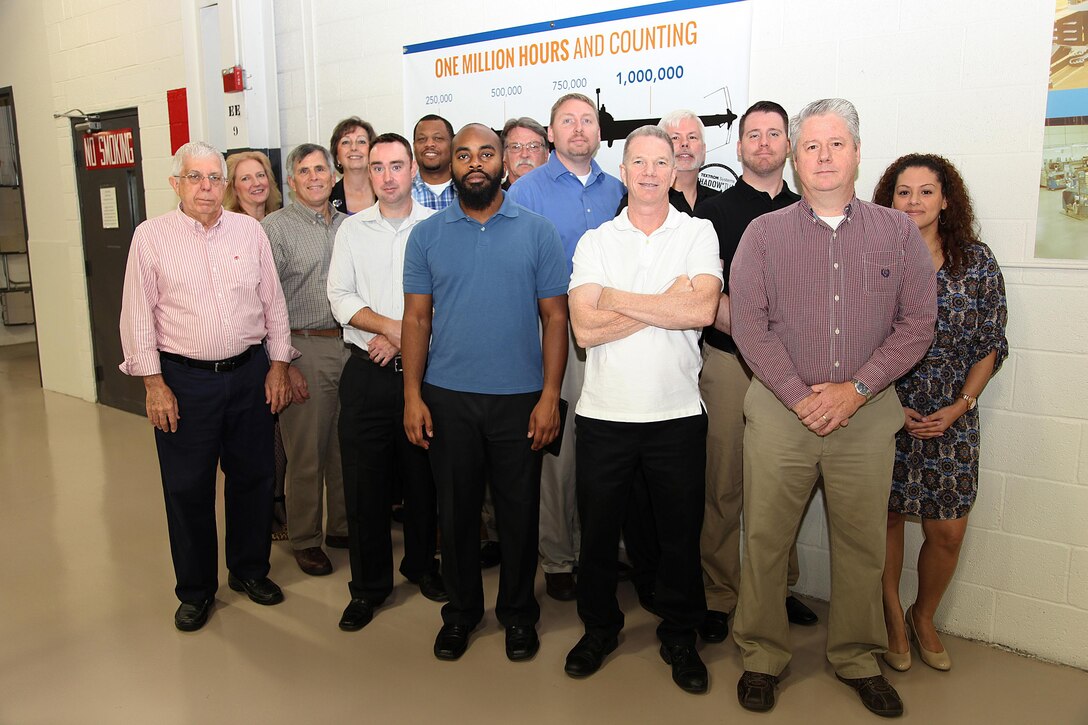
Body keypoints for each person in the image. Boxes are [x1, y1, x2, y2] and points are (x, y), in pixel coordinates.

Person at [729, 99, 937, 718]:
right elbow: (750, 325)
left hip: (867, 412)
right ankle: (763, 655)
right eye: (811, 146)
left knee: (862, 544)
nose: (823, 157)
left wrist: (856, 389)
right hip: (779, 408)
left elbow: (917, 323)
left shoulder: (897, 232)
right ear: (795, 158)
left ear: (856, 153)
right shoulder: (763, 234)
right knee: (765, 538)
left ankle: (857, 656)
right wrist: (798, 395)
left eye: (836, 144)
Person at [402, 123, 568, 662]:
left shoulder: (538, 231)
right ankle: (462, 613)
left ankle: (519, 615)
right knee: (456, 514)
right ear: (449, 164)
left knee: (519, 516)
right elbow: (417, 318)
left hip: (520, 400)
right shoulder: (426, 235)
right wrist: (412, 394)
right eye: (463, 154)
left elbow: (555, 318)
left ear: (502, 162)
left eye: (486, 153)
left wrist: (549, 397)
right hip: (447, 398)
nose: (475, 162)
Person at [565, 126, 721, 694]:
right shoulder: (595, 241)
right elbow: (583, 326)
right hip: (605, 415)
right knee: (600, 534)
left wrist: (616, 298)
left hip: (677, 414)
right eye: (640, 162)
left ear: (675, 169)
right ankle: (599, 628)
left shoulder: (697, 232)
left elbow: (702, 309)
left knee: (680, 535)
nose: (651, 172)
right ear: (623, 171)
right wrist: (665, 300)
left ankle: (681, 635)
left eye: (663, 161)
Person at [119, 141, 297, 632]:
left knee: (255, 479)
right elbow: (136, 317)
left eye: (214, 178)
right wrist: (155, 385)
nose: (205, 187)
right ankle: (196, 590)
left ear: (226, 184)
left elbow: (272, 303)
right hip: (183, 382)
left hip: (248, 375)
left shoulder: (249, 231)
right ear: (176, 183)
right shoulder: (150, 237)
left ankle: (248, 571)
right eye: (194, 178)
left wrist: (278, 365)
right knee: (187, 488)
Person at [872, 154, 1008, 673]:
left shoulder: (976, 262)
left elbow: (990, 343)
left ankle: (922, 615)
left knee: (946, 530)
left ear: (946, 200)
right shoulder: (877, 257)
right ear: (889, 199)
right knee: (883, 519)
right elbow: (857, 339)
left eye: (926, 192)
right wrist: (885, 401)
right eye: (903, 192)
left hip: (953, 415)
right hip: (884, 409)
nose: (914, 202)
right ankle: (889, 617)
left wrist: (960, 406)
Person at [691, 101, 818, 645]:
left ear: (787, 145)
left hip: (791, 376)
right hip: (728, 365)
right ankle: (719, 593)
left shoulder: (810, 209)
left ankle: (775, 589)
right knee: (724, 485)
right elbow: (707, 293)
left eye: (774, 134)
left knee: (781, 487)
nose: (763, 143)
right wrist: (753, 340)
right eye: (753, 135)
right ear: (738, 147)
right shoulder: (712, 213)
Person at [507, 93, 625, 602]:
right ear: (551, 134)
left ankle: (596, 548)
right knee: (560, 447)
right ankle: (557, 556)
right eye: (567, 121)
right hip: (555, 332)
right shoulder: (526, 191)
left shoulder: (619, 189)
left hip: (619, 334)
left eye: (588, 120)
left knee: (606, 447)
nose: (579, 129)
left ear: (599, 132)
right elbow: (512, 271)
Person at [327, 132, 447, 632]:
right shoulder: (352, 231)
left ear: (414, 169)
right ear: (367, 173)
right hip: (367, 374)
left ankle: (421, 565)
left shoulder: (439, 228)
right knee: (365, 485)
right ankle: (369, 587)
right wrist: (394, 328)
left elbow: (449, 297)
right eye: (378, 167)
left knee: (425, 481)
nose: (388, 176)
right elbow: (339, 296)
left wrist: (404, 340)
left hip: (427, 373)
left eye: (397, 165)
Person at [262, 143, 350, 576]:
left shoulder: (351, 227)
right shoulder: (273, 229)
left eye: (321, 169)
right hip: (304, 346)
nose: (315, 177)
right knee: (307, 452)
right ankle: (305, 538)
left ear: (334, 176)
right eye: (304, 171)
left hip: (351, 345)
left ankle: (341, 526)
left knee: (343, 446)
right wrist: (284, 362)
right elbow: (264, 301)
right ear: (292, 181)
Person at [225, 149, 289, 540]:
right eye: (245, 178)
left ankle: (277, 501)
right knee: (258, 436)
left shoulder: (279, 223)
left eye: (261, 174)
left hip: (280, 342)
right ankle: (262, 511)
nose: (256, 183)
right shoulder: (229, 228)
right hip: (249, 347)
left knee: (279, 431)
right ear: (232, 187)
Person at [616, 110, 716, 214]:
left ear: (704, 150)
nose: (685, 143)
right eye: (675, 138)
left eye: (692, 137)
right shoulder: (636, 202)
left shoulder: (720, 203)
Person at [329, 117, 378, 215]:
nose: (354, 148)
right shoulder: (327, 198)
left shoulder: (387, 191)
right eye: (346, 142)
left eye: (361, 141)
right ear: (337, 156)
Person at [411, 114, 457, 210]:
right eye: (422, 139)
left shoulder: (468, 189)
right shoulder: (403, 193)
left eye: (438, 138)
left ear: (453, 144)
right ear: (414, 146)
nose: (429, 144)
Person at [224, 150, 283, 220]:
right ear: (233, 188)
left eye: (260, 175)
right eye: (246, 178)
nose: (257, 183)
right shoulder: (230, 226)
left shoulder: (279, 221)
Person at [501, 116, 549, 188]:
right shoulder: (494, 198)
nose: (524, 154)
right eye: (516, 147)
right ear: (504, 155)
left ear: (546, 154)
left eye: (533, 147)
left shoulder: (563, 196)